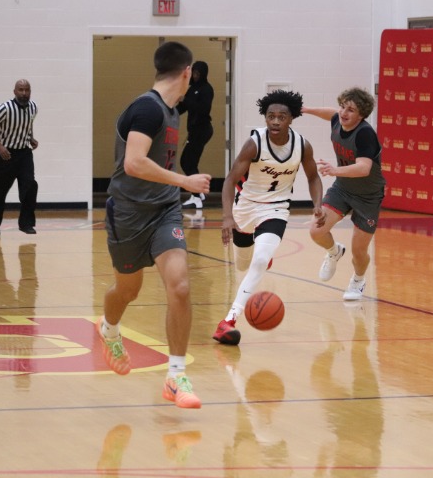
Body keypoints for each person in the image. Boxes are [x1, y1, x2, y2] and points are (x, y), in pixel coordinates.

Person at [97, 41, 211, 408]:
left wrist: (175, 188)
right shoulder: (147, 109)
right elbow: (134, 163)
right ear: (187, 73)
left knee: (180, 286)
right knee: (127, 290)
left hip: (164, 211)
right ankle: (109, 329)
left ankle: (176, 376)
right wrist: (184, 180)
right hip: (128, 213)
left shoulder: (173, 110)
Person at [214, 89, 324, 345]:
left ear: (291, 119)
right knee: (242, 264)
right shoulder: (255, 143)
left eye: (281, 117)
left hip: (275, 208)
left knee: (261, 259)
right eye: (270, 116)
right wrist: (227, 216)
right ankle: (261, 251)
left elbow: (313, 177)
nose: (275, 121)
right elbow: (230, 180)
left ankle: (228, 320)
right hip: (245, 208)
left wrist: (317, 204)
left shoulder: (302, 145)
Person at [301, 87, 386, 301]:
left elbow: (364, 168)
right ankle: (334, 251)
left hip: (368, 197)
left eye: (351, 110)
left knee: (359, 251)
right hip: (343, 189)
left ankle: (358, 280)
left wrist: (334, 170)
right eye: (342, 107)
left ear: (361, 115)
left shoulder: (365, 134)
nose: (343, 113)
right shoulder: (337, 119)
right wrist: (307, 110)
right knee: (316, 230)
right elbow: (330, 113)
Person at [0, 79, 39, 236]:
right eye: (21, 90)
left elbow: (28, 124)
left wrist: (30, 138)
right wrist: (0, 147)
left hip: (24, 154)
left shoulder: (33, 107)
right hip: (6, 155)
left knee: (30, 186)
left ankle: (26, 224)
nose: (24, 93)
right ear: (14, 91)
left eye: (27, 90)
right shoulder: (5, 108)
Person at [177, 61, 214, 209]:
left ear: (203, 74)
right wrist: (168, 111)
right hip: (194, 131)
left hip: (202, 130)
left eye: (198, 73)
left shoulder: (207, 89)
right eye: (194, 73)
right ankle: (198, 192)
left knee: (187, 162)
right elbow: (182, 108)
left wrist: (186, 100)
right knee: (189, 162)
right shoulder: (192, 89)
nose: (196, 76)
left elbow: (203, 109)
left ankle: (196, 197)